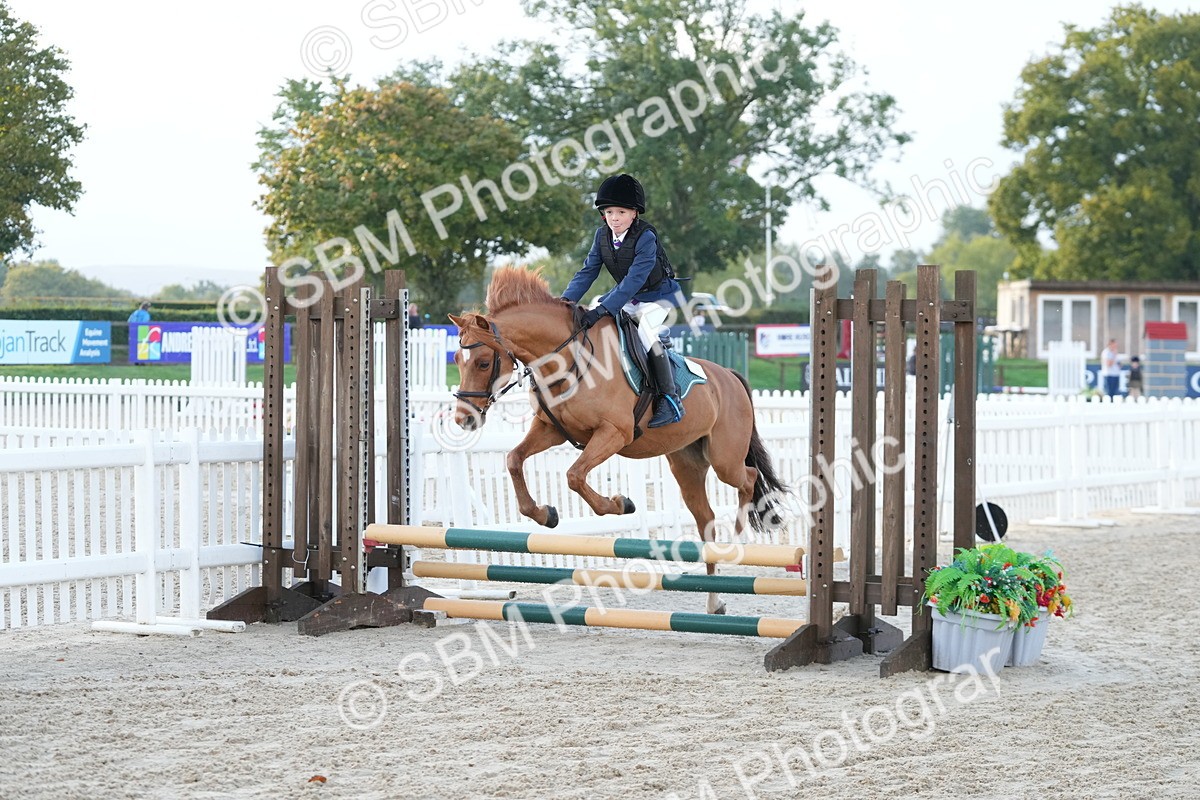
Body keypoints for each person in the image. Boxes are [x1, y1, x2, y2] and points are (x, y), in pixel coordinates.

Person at [560, 173, 685, 428]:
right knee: (593, 320)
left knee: (647, 333)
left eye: (621, 212)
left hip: (659, 297)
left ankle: (670, 399)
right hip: (631, 296)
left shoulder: (646, 237)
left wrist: (605, 308)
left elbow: (634, 280)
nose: (614, 218)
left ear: (634, 213)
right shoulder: (601, 236)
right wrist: (565, 301)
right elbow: (588, 272)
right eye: (609, 212)